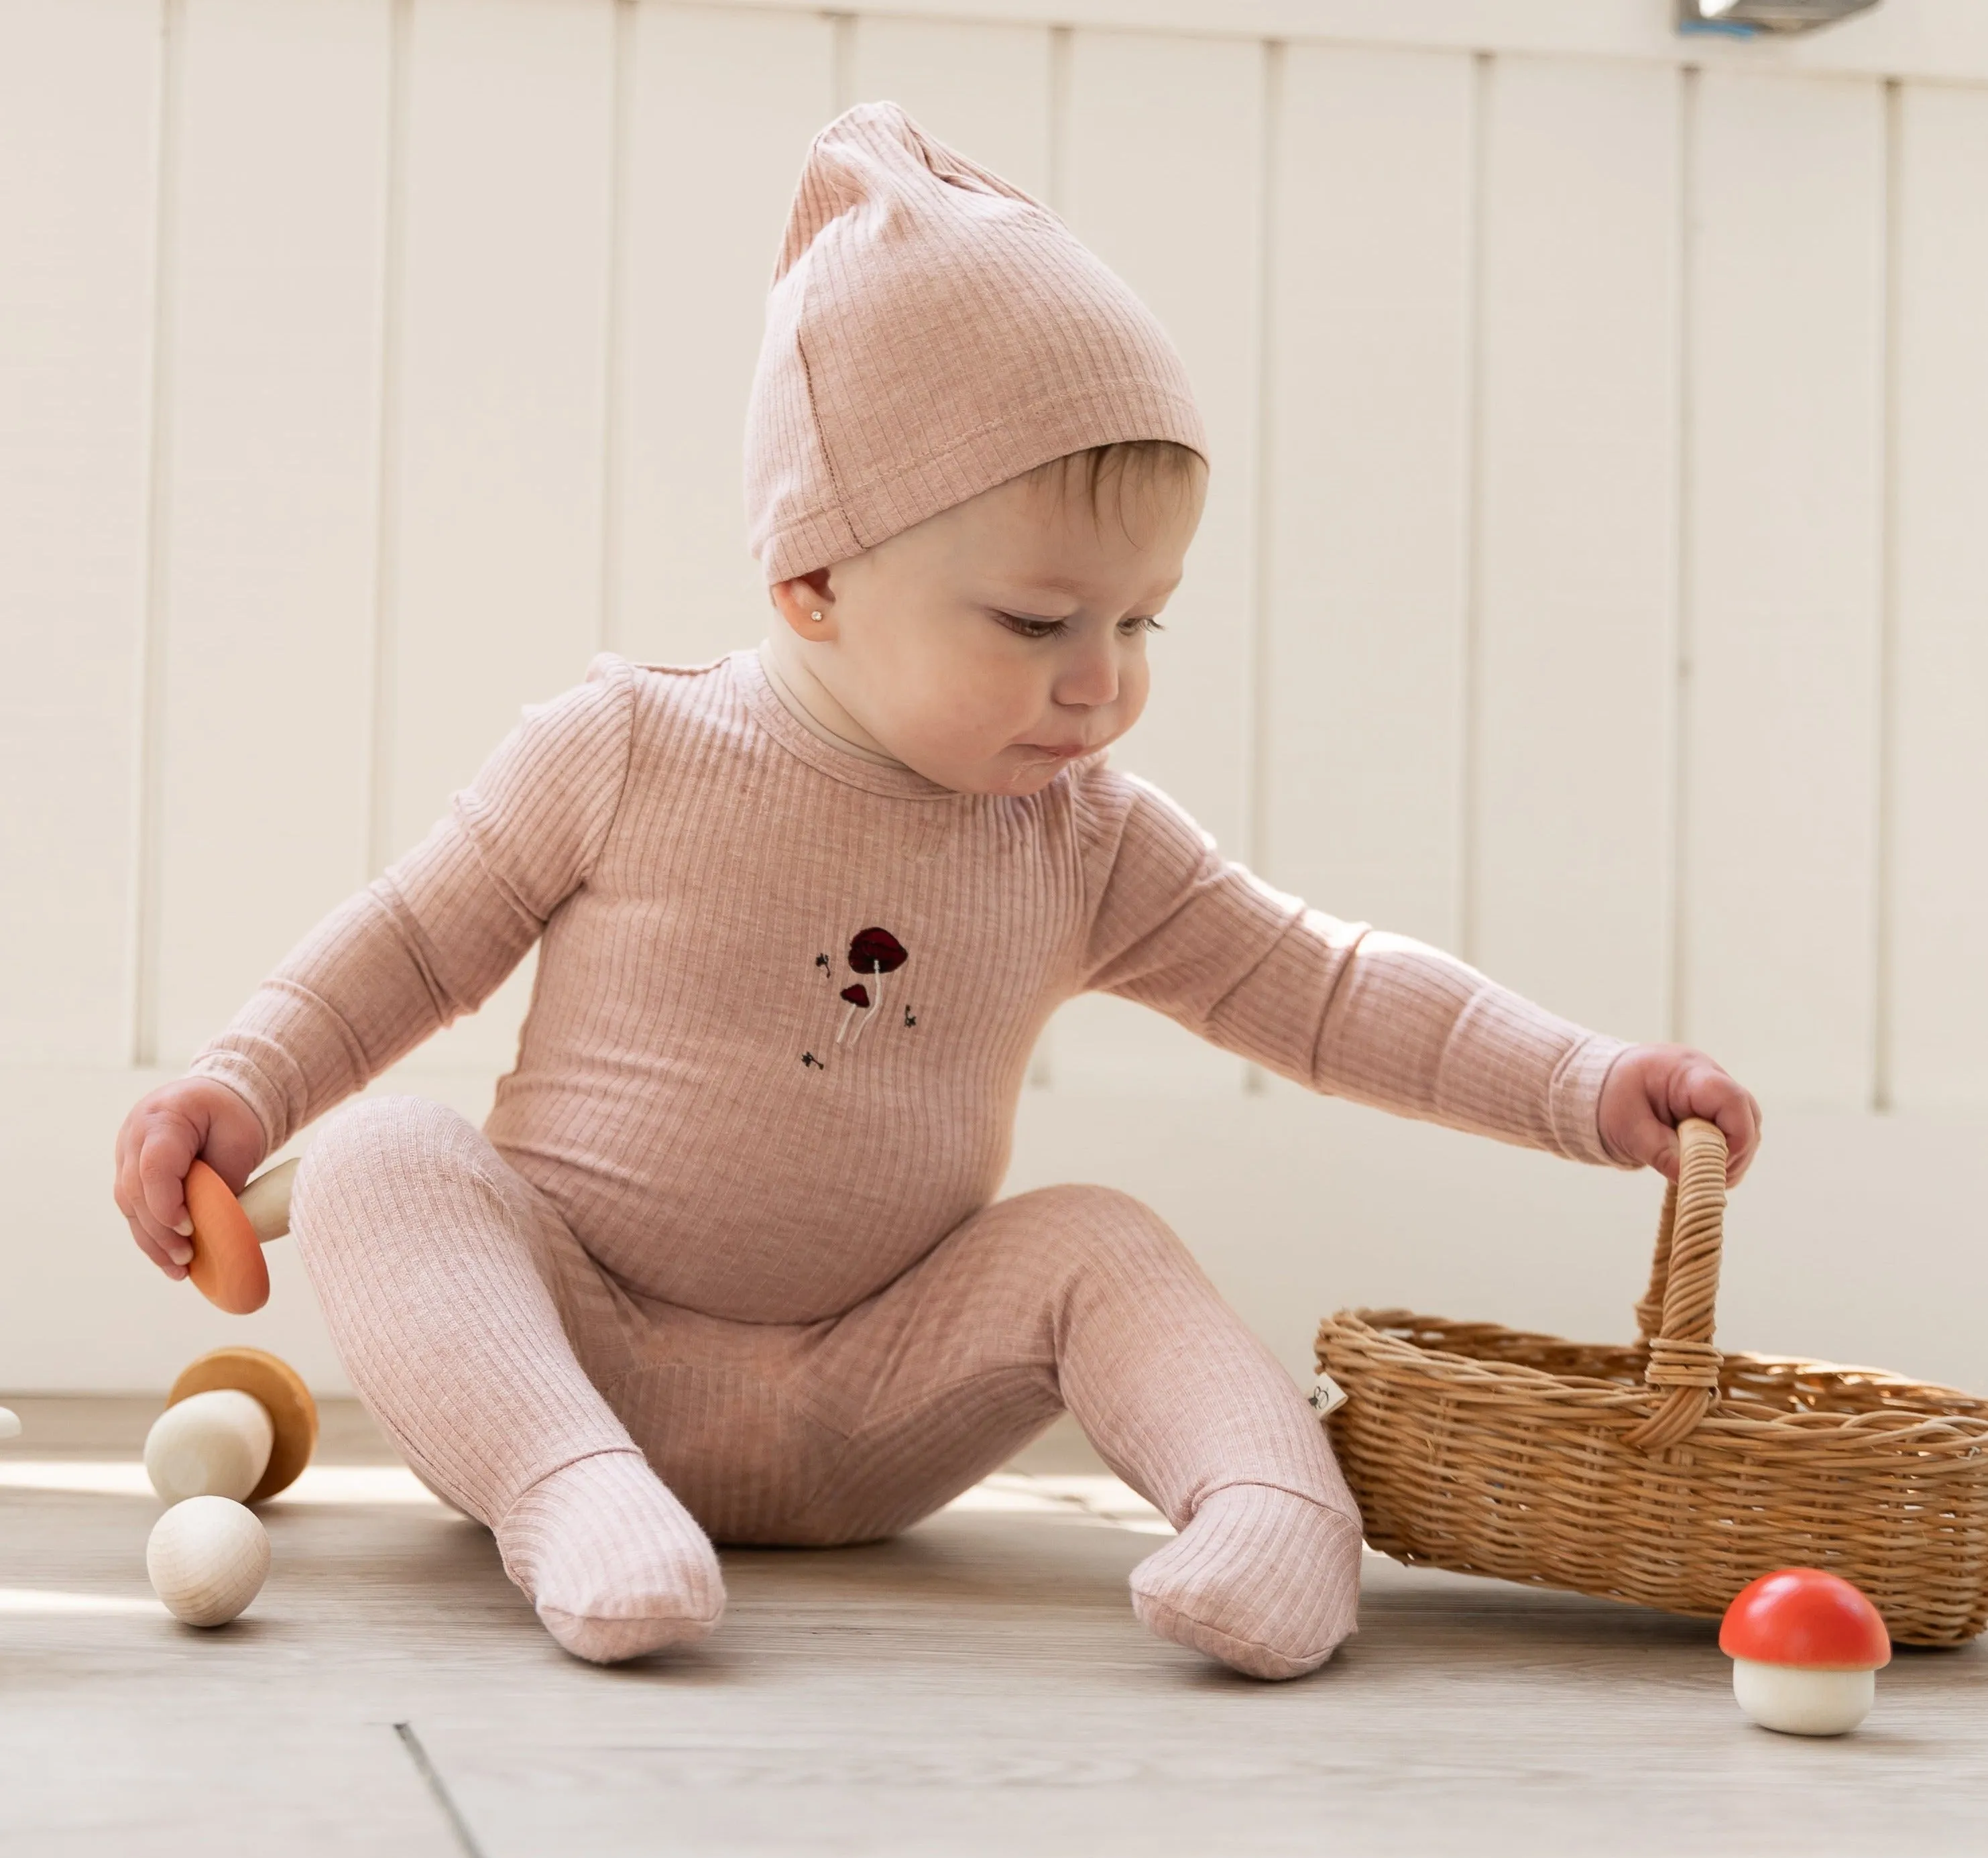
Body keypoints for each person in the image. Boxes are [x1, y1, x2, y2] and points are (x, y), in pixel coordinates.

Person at [112, 105, 1760, 1677]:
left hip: (864, 1398)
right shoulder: (625, 747)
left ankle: (1273, 1514)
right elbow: (408, 943)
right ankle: (569, 1496)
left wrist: (1584, 1084)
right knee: (390, 1158)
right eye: (1039, 624)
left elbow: (1327, 988)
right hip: (572, 1341)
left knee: (1095, 1242)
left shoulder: (1086, 838)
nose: (1100, 684)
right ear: (814, 577)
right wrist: (244, 1086)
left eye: (1142, 624)